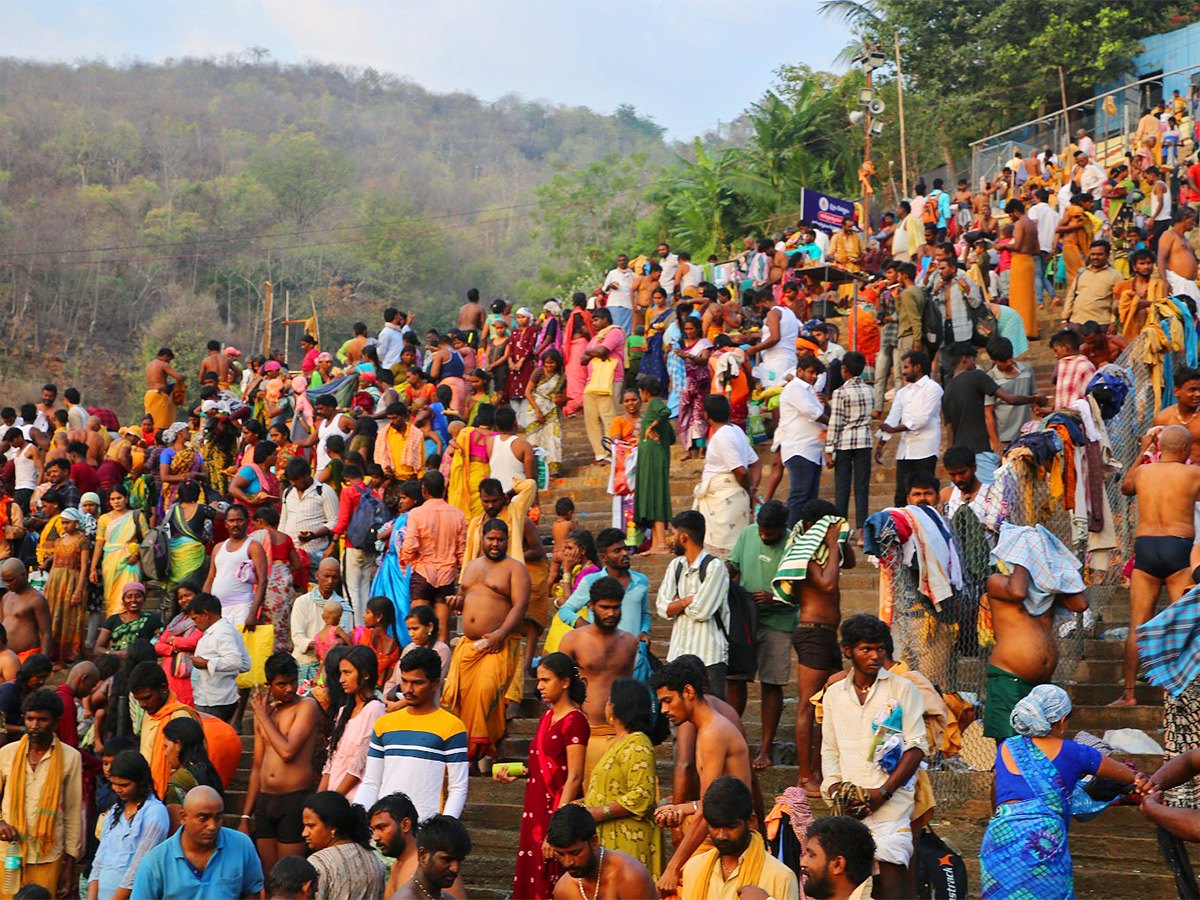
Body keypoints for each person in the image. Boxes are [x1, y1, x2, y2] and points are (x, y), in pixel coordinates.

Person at [979, 685, 1143, 899]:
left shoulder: (1007, 747)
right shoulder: (1076, 752)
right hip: (1042, 842)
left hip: (999, 838)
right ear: (1063, 720)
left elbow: (999, 792)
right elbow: (1127, 775)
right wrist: (1141, 780)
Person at [821, 615, 926, 898]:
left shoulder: (902, 689)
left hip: (892, 807)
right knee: (852, 887)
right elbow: (830, 751)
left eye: (879, 649)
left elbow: (916, 749)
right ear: (848, 652)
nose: (874, 656)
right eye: (865, 649)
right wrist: (836, 791)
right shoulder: (832, 695)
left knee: (891, 880)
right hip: (848, 809)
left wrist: (882, 793)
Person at [1110, 425, 1200, 706]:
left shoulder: (1143, 472)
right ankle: (1179, 695)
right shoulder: (1193, 472)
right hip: (1179, 549)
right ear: (1184, 450)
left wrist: (1143, 449)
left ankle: (1128, 695)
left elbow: (1125, 487)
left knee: (1137, 623)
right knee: (1180, 624)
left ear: (1160, 447)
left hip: (1146, 550)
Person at [651, 658, 752, 896]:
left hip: (727, 837)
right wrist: (683, 808)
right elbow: (714, 799)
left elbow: (710, 810)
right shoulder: (708, 728)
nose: (664, 710)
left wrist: (673, 867)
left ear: (688, 692)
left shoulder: (712, 732)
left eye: (668, 700)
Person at [493, 651, 588, 899]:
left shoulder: (575, 720)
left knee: (553, 878)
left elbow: (575, 776)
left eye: (546, 680)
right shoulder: (547, 717)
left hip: (558, 811)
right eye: (538, 680)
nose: (540, 686)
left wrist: (556, 827)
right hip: (536, 809)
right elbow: (548, 765)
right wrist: (519, 774)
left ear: (565, 682)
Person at [443, 518, 530, 763]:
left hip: (498, 644)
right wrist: (457, 601)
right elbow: (464, 595)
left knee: (487, 691)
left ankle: (492, 746)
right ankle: (470, 758)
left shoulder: (515, 568)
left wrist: (500, 635)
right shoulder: (470, 566)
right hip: (470, 647)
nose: (495, 544)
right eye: (490, 539)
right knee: (462, 698)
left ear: (507, 540)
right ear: (481, 538)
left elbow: (520, 606)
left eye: (500, 539)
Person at [356, 647, 469, 820]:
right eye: (404, 681)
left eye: (417, 682)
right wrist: (359, 817)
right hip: (386, 829)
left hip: (426, 827)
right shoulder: (384, 724)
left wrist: (444, 828)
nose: (408, 689)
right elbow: (371, 782)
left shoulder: (452, 727)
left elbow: (458, 788)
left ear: (435, 683)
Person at [723, 501, 790, 770]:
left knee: (772, 683)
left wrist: (776, 597)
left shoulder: (794, 542)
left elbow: (801, 582)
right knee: (734, 679)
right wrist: (721, 574)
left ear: (782, 528)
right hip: (744, 618)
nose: (763, 536)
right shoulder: (748, 533)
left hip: (780, 620)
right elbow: (732, 564)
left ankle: (765, 748)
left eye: (769, 533)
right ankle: (731, 738)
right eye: (762, 531)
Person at [240, 651, 320, 876]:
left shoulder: (306, 707)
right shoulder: (264, 714)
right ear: (270, 685)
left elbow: (287, 751)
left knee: (290, 877)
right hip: (265, 802)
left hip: (293, 799)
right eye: (282, 684)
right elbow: (257, 767)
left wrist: (263, 717)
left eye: (293, 681)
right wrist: (246, 816)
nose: (289, 689)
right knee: (268, 875)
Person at [0, 689, 83, 899]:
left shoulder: (71, 757)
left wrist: (70, 863)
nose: (34, 726)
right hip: (7, 853)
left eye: (42, 720)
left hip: (47, 855)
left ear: (56, 722)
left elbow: (73, 811)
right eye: (30, 719)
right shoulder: (7, 753)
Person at [580, 677, 664, 878]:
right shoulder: (619, 742)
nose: (606, 705)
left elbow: (642, 795)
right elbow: (609, 791)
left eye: (610, 700)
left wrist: (601, 812)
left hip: (629, 842)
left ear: (618, 707)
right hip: (608, 837)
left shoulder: (638, 743)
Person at [559, 577, 638, 787]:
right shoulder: (572, 640)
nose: (611, 613)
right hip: (583, 733)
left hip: (620, 734)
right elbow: (559, 692)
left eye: (616, 607)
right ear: (591, 606)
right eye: (604, 607)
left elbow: (628, 690)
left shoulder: (629, 642)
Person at [130, 785, 264, 900]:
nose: (212, 826)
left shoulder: (241, 846)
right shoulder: (155, 862)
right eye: (203, 818)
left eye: (218, 817)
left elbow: (252, 892)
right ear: (183, 817)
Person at [680, 775, 800, 900]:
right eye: (715, 827)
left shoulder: (780, 876)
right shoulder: (695, 868)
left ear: (750, 821)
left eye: (731, 827)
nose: (721, 836)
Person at [555, 527, 652, 678]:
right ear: (604, 557)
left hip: (635, 658)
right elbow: (565, 610)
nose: (625, 554)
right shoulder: (591, 582)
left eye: (625, 549)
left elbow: (645, 613)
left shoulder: (641, 581)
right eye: (617, 551)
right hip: (602, 658)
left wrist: (644, 631)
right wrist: (586, 626)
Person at [942, 343, 1042, 483]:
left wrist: (951, 460)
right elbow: (1010, 399)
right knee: (992, 499)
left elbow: (950, 432)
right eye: (973, 359)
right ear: (965, 359)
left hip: (959, 460)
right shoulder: (977, 376)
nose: (974, 364)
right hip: (979, 455)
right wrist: (1036, 398)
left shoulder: (947, 391)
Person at [656, 510, 730, 698]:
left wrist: (677, 603)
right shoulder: (676, 566)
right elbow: (662, 607)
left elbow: (701, 611)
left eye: (673, 534)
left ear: (683, 537)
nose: (670, 539)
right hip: (678, 656)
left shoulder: (715, 567)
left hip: (709, 659)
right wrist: (689, 599)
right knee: (679, 721)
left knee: (711, 717)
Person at [89, 750, 170, 900]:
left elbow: (140, 865)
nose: (118, 789)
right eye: (114, 784)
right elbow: (99, 860)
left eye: (124, 785)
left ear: (140, 782)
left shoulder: (154, 812)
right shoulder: (114, 811)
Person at [400, 470, 466, 648]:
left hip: (422, 573)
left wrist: (408, 559)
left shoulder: (416, 513)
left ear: (424, 491)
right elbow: (462, 552)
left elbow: (410, 546)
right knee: (442, 630)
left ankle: (421, 667)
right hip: (447, 576)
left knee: (418, 628)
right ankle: (442, 671)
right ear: (444, 490)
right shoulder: (458, 514)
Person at [546, 804, 657, 900]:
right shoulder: (564, 889)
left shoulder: (629, 874)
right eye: (561, 854)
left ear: (594, 842)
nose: (567, 862)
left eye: (575, 853)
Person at [694, 395, 760, 558]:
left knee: (724, 554)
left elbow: (741, 471)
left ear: (706, 415)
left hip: (725, 501)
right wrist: (751, 490)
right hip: (729, 500)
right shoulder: (736, 431)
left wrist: (748, 490)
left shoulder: (723, 436)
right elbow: (756, 464)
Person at [876, 350, 942, 508]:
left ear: (917, 367)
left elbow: (923, 418)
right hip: (906, 450)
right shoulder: (902, 393)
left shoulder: (933, 388)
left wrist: (894, 430)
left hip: (926, 448)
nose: (903, 371)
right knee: (901, 494)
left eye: (906, 367)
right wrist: (881, 445)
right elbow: (891, 419)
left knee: (925, 492)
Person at [126, 661, 201, 799]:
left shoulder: (180, 716)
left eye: (147, 698)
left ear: (163, 688)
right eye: (139, 701)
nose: (143, 705)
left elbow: (191, 766)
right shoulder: (148, 715)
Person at [320, 645, 385, 801]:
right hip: (333, 797)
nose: (341, 679)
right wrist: (320, 799)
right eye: (341, 673)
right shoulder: (344, 711)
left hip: (353, 798)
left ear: (365, 675)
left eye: (347, 673)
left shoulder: (375, 709)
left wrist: (334, 799)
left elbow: (359, 764)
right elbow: (331, 762)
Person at [300, 790, 387, 900]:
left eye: (311, 826)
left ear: (332, 828)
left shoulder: (319, 863)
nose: (304, 833)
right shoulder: (374, 860)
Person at [824, 352, 872, 539]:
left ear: (844, 370)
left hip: (845, 443)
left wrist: (829, 449)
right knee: (862, 487)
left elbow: (835, 422)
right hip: (864, 442)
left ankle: (841, 530)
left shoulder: (840, 393)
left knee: (842, 488)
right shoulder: (870, 390)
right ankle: (862, 532)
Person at [777, 356, 827, 529]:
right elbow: (811, 412)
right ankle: (791, 534)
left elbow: (818, 411)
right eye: (811, 372)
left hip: (813, 450)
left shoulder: (809, 391)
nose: (814, 376)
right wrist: (833, 423)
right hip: (800, 448)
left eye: (816, 374)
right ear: (800, 371)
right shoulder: (795, 388)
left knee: (810, 498)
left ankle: (805, 535)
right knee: (800, 495)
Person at [188, 591, 250, 722]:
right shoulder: (226, 630)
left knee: (211, 738)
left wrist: (207, 663)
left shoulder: (222, 632)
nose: (194, 623)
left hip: (215, 701)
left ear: (205, 614)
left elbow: (236, 661)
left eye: (195, 618)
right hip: (215, 697)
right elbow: (245, 664)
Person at [203, 503, 266, 629]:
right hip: (218, 610)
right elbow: (210, 579)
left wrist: (253, 613)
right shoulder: (218, 548)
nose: (235, 524)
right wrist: (205, 607)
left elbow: (262, 581)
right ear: (226, 524)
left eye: (239, 520)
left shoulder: (254, 547)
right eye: (231, 521)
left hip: (242, 607)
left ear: (247, 522)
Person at [89, 485, 148, 617]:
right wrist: (93, 568)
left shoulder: (136, 516)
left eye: (119, 498)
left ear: (126, 498)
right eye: (113, 499)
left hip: (130, 561)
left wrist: (136, 554)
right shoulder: (104, 519)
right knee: (112, 598)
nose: (116, 501)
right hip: (110, 561)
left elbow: (147, 540)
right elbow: (99, 543)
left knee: (131, 594)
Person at [290, 558, 351, 682]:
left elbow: (345, 639)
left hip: (331, 667)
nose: (330, 581)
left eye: (335, 577)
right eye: (326, 576)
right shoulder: (302, 602)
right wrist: (320, 645)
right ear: (317, 575)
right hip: (303, 662)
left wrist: (323, 647)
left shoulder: (344, 607)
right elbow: (297, 637)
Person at [160, 716, 224, 831]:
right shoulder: (209, 771)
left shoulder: (180, 779)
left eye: (166, 746)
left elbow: (176, 830)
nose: (165, 753)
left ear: (178, 745)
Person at [581, 308, 626, 464]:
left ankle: (610, 453)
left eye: (597, 319)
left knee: (609, 418)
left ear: (606, 319)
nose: (594, 322)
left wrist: (592, 352)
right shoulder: (595, 338)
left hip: (611, 379)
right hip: (591, 382)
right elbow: (582, 359)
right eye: (593, 320)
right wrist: (593, 351)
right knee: (591, 419)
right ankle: (600, 454)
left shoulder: (614, 332)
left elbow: (602, 350)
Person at [633, 375, 673, 553]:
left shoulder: (655, 404)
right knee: (652, 497)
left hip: (654, 459)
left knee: (656, 497)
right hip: (654, 457)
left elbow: (666, 411)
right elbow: (670, 436)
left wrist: (650, 428)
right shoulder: (653, 408)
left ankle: (662, 544)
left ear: (645, 392)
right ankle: (657, 544)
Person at [394, 815, 472, 900]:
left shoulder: (446, 898)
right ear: (423, 856)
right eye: (447, 859)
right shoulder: (407, 898)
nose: (455, 868)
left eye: (459, 860)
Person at [1062, 239, 1122, 330]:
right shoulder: (1082, 273)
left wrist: (1113, 322)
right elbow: (1071, 296)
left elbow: (1118, 301)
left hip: (1100, 323)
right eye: (1093, 254)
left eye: (1100, 254)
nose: (1095, 257)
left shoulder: (1115, 275)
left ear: (1108, 255)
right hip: (1077, 321)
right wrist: (1064, 319)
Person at [0, 560, 51, 662]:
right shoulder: (6, 597)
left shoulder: (36, 599)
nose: (7, 584)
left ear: (24, 575)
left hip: (27, 656)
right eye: (4, 581)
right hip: (6, 656)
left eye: (10, 580)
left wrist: (43, 661)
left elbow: (45, 633)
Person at [524, 349, 565, 471]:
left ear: (557, 363)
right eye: (546, 363)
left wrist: (561, 400)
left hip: (552, 410)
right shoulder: (538, 372)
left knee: (552, 439)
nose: (549, 366)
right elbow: (527, 392)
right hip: (535, 409)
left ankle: (553, 470)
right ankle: (534, 470)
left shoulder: (561, 377)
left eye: (552, 363)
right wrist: (537, 410)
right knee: (534, 438)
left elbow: (563, 395)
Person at [95, 582, 160, 657]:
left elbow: (159, 643)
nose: (133, 600)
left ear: (144, 599)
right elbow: (98, 649)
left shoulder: (152, 620)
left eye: (138, 596)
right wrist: (118, 653)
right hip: (116, 662)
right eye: (129, 596)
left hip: (141, 662)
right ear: (123, 600)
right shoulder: (113, 620)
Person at [1158, 206, 1199, 300]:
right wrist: (1164, 281)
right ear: (1185, 218)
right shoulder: (1169, 235)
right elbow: (1161, 259)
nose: (1194, 223)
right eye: (1192, 220)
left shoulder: (1185, 239)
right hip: (1176, 284)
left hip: (1190, 285)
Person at [143, 348, 182, 431]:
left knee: (151, 424)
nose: (169, 362)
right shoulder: (163, 364)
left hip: (149, 395)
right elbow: (178, 377)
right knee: (162, 424)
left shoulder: (149, 364)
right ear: (165, 356)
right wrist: (183, 377)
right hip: (159, 395)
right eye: (169, 360)